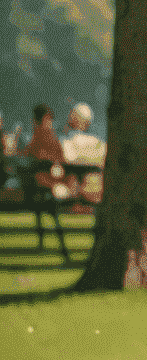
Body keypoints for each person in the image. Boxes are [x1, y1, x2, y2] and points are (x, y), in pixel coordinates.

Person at [21, 105, 72, 259]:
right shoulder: (38, 139)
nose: (49, 123)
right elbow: (30, 159)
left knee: (48, 211)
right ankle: (60, 248)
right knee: (47, 212)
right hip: (43, 187)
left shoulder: (49, 139)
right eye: (47, 120)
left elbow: (60, 161)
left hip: (47, 187)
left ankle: (56, 247)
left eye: (49, 120)